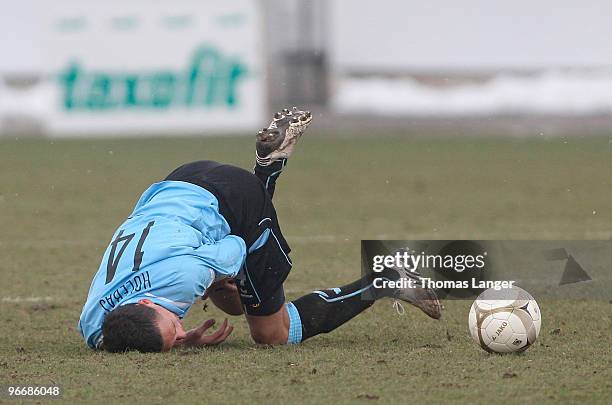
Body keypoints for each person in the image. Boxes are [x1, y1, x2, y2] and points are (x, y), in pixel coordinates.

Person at [78, 107, 441, 353]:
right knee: (233, 303)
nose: (180, 327)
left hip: (232, 202)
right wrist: (182, 333)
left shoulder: (185, 276)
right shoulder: (96, 323)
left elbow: (237, 244)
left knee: (271, 334)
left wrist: (218, 282)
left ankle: (385, 279)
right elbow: (115, 336)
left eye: (174, 325)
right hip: (181, 181)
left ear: (144, 303)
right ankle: (267, 164)